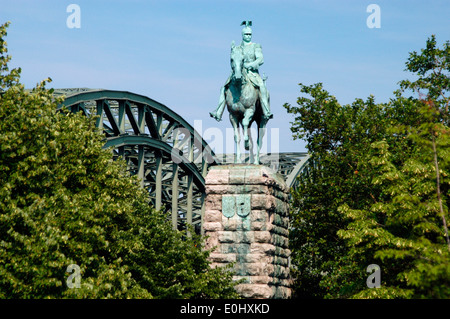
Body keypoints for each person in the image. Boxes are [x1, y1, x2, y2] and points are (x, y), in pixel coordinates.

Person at [210, 21, 273, 122]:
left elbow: (260, 59)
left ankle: (266, 110)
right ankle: (218, 111)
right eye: (246, 34)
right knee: (224, 88)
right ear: (242, 35)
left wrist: (250, 64)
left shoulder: (256, 46)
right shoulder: (237, 48)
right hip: (238, 72)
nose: (248, 36)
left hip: (252, 73)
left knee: (262, 87)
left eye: (250, 34)